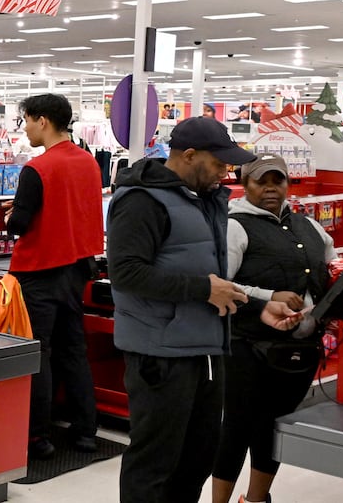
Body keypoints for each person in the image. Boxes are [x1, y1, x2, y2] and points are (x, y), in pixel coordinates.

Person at [108, 117, 303, 503]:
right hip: (160, 354)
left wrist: (256, 307)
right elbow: (126, 273)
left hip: (207, 350)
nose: (224, 172)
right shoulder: (140, 201)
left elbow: (211, 279)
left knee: (196, 460)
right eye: (218, 164)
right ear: (190, 155)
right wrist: (203, 289)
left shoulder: (206, 201)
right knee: (155, 464)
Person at [211, 154, 335, 503]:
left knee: (273, 427)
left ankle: (256, 499)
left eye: (276, 180)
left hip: (298, 350)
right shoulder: (234, 225)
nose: (269, 188)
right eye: (260, 181)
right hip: (246, 347)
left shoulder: (309, 227)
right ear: (244, 183)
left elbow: (330, 267)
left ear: (287, 184)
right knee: (236, 427)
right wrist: (268, 296)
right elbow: (219, 284)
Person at [4, 94, 104, 459]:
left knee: (38, 352)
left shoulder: (38, 168)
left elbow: (20, 224)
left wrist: (8, 217)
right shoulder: (89, 163)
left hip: (39, 272)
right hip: (77, 269)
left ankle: (37, 436)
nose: (25, 128)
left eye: (26, 120)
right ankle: (85, 431)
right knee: (73, 349)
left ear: (42, 120)